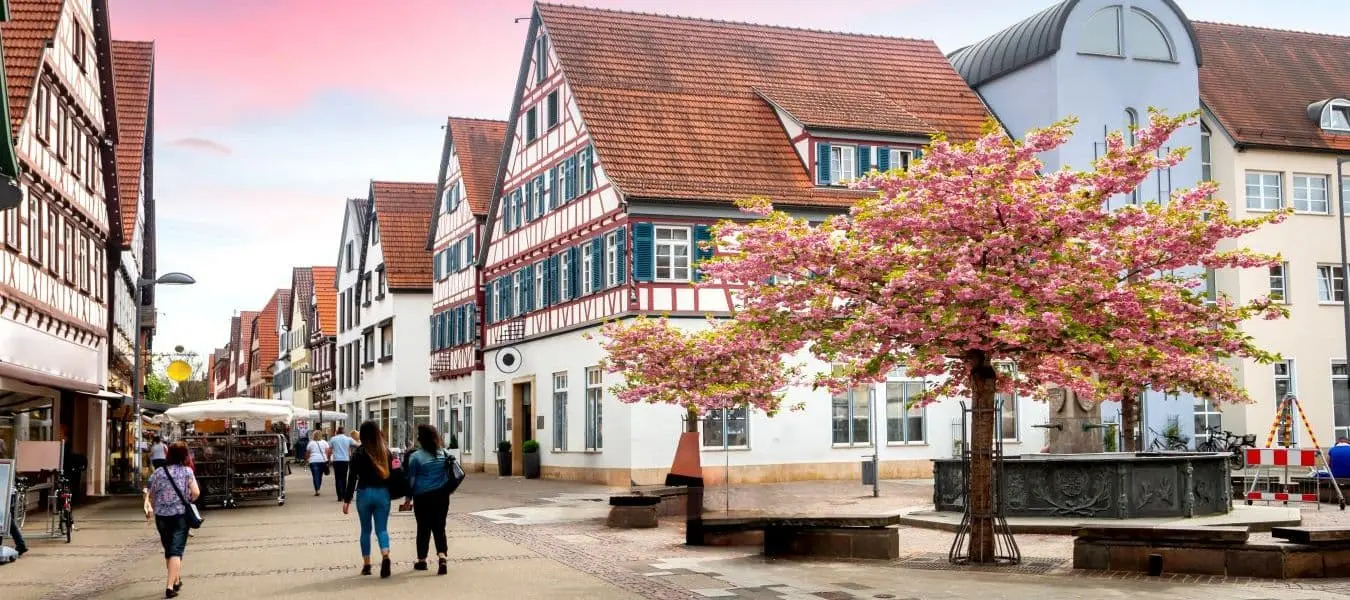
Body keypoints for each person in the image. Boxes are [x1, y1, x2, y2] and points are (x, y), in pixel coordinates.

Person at [342, 421, 397, 578]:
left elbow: (351, 478)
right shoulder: (386, 451)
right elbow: (393, 475)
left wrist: (347, 500)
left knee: (366, 530)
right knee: (382, 529)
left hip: (364, 493)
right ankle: (385, 555)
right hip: (382, 494)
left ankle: (367, 565)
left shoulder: (358, 453)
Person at [145, 441, 199, 599]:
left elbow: (150, 491)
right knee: (176, 550)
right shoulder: (187, 471)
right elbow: (196, 493)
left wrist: (152, 505)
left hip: (161, 516)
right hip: (179, 515)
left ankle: (176, 579)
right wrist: (186, 499)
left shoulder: (158, 473)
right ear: (185, 456)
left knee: (169, 549)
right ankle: (170, 586)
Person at [403, 424, 451, 575]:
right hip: (442, 496)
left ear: (421, 439)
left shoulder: (416, 457)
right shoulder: (444, 453)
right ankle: (442, 556)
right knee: (439, 527)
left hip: (422, 497)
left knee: (423, 528)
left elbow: (411, 480)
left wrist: (408, 498)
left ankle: (422, 560)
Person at [328, 427, 356, 503]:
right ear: (344, 432)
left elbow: (329, 450)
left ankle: (339, 496)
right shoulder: (348, 439)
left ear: (337, 431)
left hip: (336, 460)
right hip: (345, 460)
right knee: (344, 478)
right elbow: (357, 445)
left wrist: (328, 459)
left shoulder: (333, 439)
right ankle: (344, 495)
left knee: (337, 478)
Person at [306, 431, 330, 496]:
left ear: (313, 435)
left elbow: (308, 452)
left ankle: (317, 490)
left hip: (313, 461)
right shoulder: (325, 442)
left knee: (315, 476)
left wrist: (307, 459)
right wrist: (327, 458)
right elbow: (327, 451)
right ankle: (318, 488)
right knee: (320, 476)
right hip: (322, 461)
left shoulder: (310, 443)